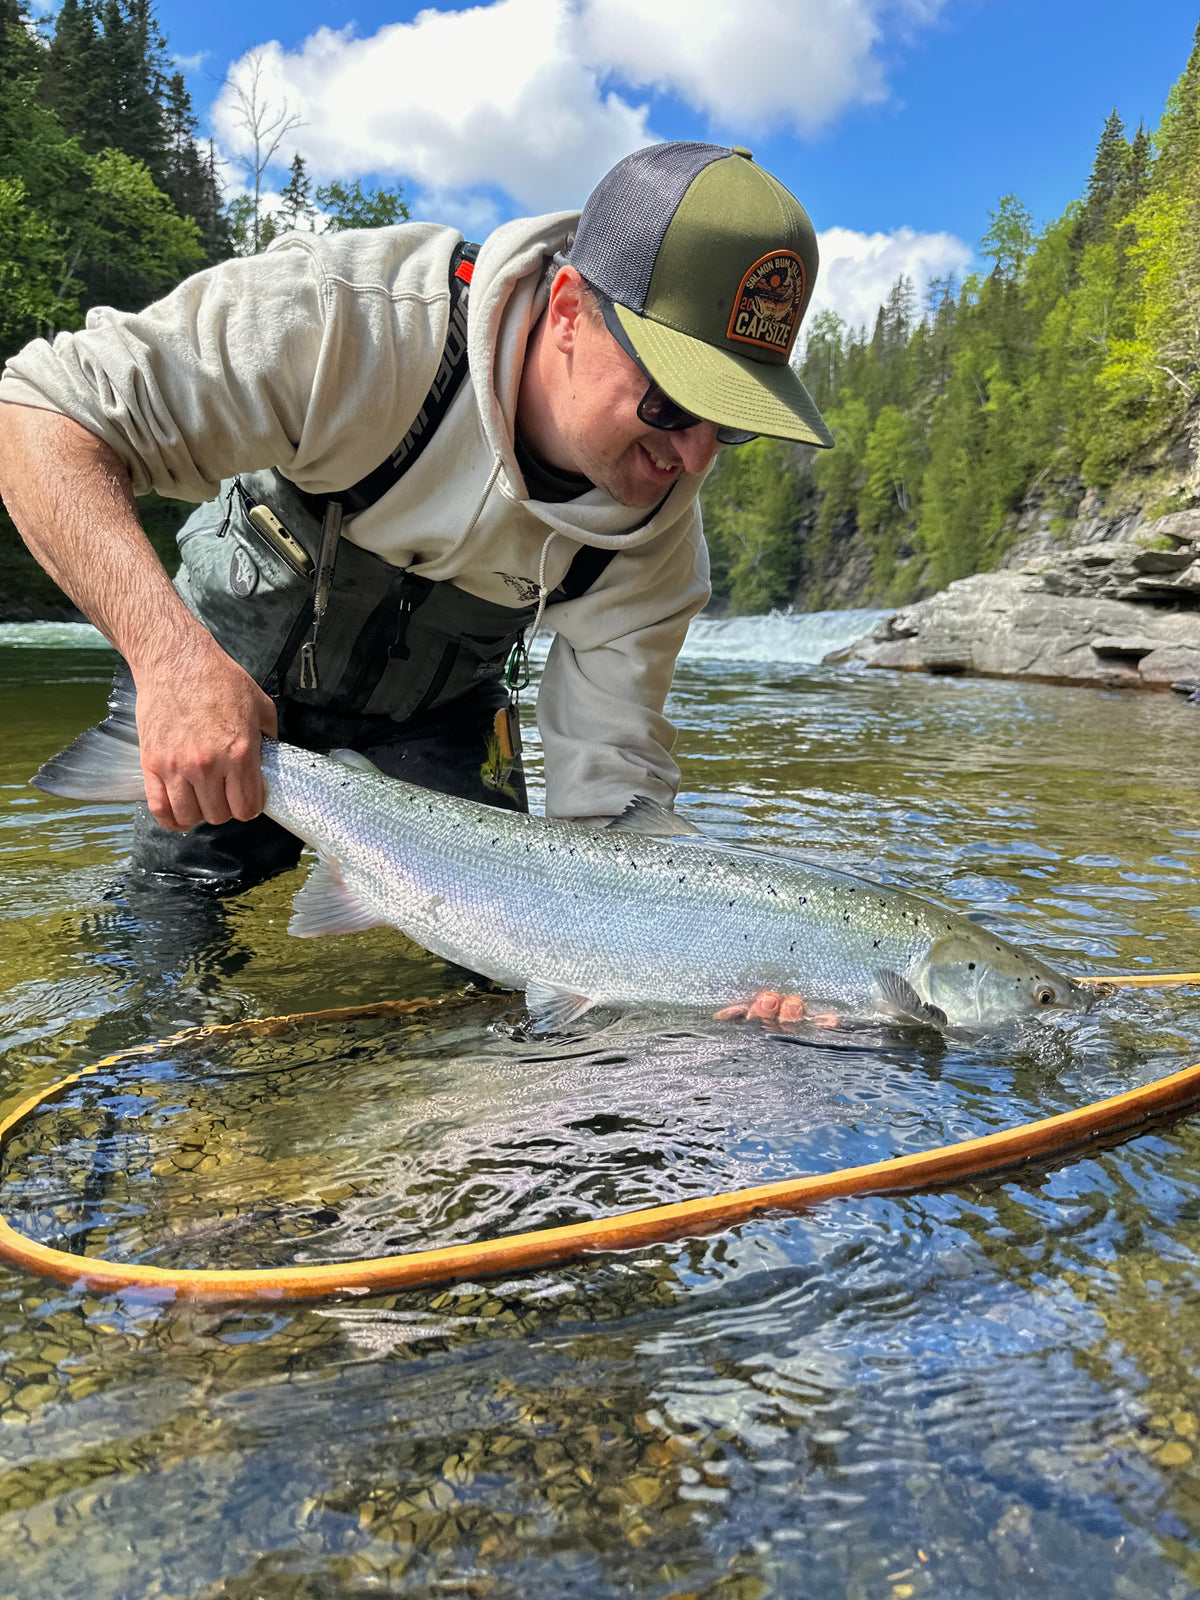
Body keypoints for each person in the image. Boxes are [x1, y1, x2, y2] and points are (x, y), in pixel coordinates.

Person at [0, 140, 832, 898]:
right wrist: (169, 660)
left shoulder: (658, 553)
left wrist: (698, 963)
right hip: (230, 681)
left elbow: (610, 809)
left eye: (732, 423)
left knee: (495, 988)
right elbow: (37, 416)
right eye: (671, 402)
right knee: (163, 956)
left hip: (436, 723)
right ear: (571, 309)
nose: (692, 460)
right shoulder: (353, 323)